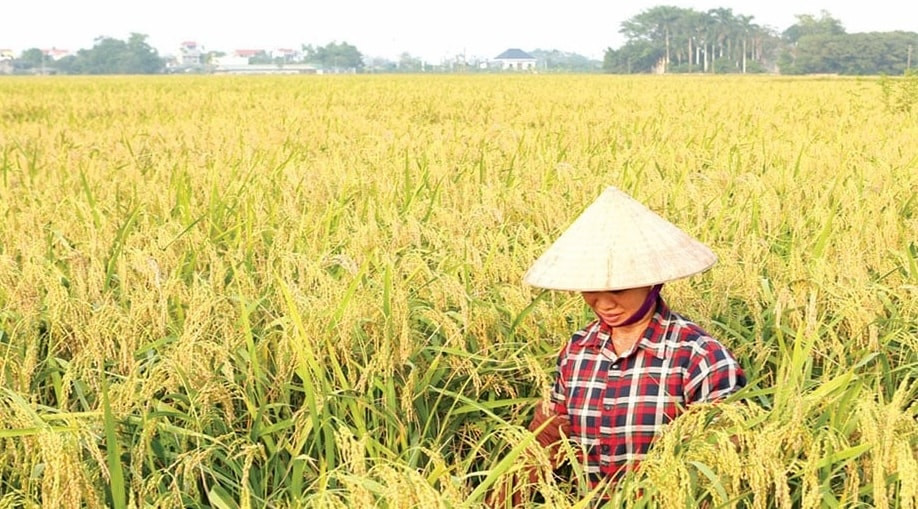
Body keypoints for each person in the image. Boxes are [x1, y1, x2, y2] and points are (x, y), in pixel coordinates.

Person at [508, 186, 746, 503]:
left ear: (651, 281)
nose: (603, 303)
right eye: (591, 290)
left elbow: (723, 460)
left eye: (618, 290)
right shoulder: (579, 350)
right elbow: (550, 437)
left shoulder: (699, 356)